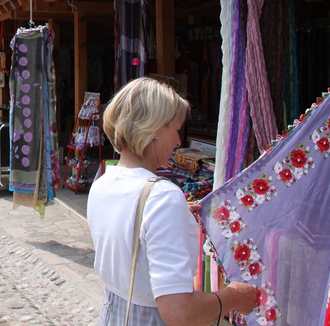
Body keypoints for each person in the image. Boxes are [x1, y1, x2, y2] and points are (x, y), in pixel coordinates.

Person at [87, 77, 256, 326]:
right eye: (175, 129)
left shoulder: (103, 183)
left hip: (114, 313)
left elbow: (130, 233)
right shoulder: (161, 197)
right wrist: (234, 297)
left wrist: (173, 215)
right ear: (153, 130)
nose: (178, 141)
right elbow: (179, 312)